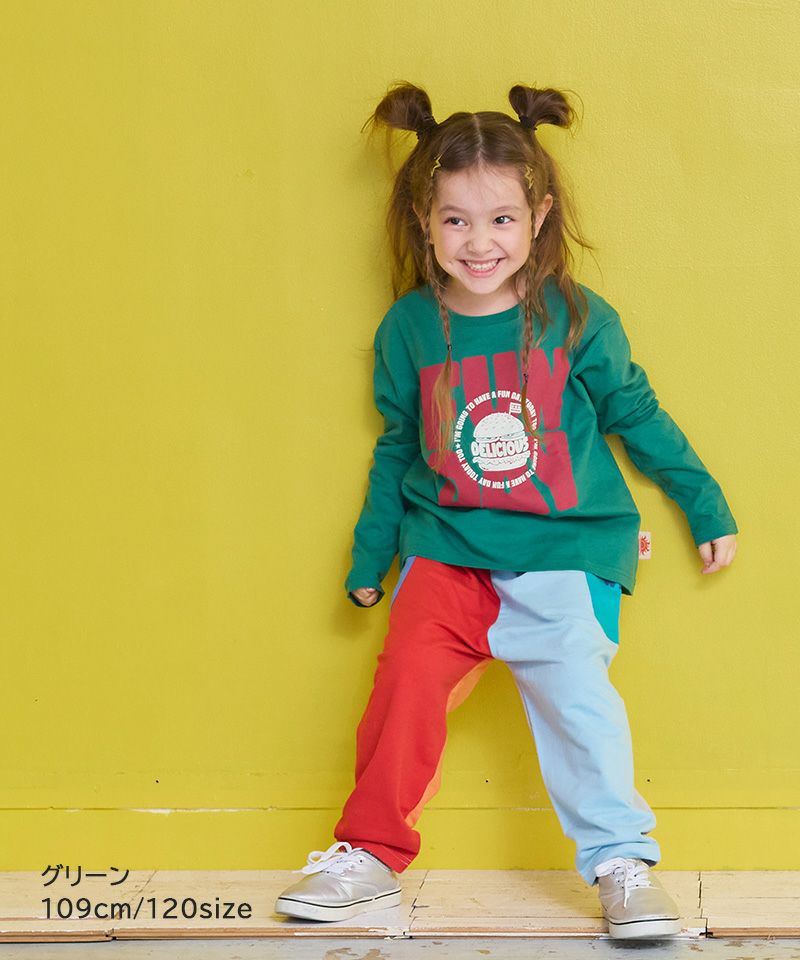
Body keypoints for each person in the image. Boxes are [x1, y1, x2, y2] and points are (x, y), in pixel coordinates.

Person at [274, 81, 738, 939]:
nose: (478, 242)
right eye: (455, 220)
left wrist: (704, 505)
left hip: (566, 550)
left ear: (539, 217)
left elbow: (636, 413)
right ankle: (369, 855)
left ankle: (621, 861)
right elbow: (398, 448)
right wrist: (371, 559)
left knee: (577, 700)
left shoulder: (575, 317)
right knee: (403, 687)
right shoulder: (410, 329)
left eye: (500, 219)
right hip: (448, 548)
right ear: (423, 221)